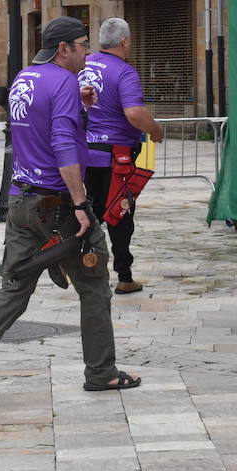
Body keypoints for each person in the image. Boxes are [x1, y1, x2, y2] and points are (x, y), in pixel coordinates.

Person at [0, 16, 141, 406]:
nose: (88, 52)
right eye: (83, 44)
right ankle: (101, 372)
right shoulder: (64, 82)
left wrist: (77, 106)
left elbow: (37, 122)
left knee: (13, 289)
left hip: (21, 197)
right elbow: (64, 145)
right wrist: (82, 204)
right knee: (95, 283)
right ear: (63, 48)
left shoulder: (25, 77)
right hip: (57, 202)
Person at [78, 17, 163, 295]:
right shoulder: (124, 72)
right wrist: (156, 130)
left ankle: (81, 262)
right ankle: (124, 276)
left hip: (85, 153)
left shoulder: (84, 64)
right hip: (116, 157)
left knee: (91, 211)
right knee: (120, 213)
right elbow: (134, 113)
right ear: (125, 41)